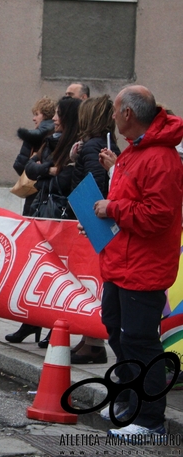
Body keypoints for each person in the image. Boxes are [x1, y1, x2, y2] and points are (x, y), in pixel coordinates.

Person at [86, 86, 183, 438]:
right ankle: (130, 401)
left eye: (114, 110)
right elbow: (131, 204)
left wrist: (111, 209)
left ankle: (150, 419)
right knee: (117, 329)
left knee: (140, 341)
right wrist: (102, 220)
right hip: (122, 261)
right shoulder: (136, 151)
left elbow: (157, 216)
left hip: (143, 267)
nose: (111, 116)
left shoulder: (160, 158)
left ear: (128, 114)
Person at [8, 96, 81, 348]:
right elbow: (28, 166)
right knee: (35, 270)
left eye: (58, 115)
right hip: (41, 210)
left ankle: (56, 327)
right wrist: (48, 170)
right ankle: (31, 321)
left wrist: (46, 172)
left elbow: (66, 178)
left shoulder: (75, 146)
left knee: (57, 274)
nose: (54, 119)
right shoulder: (51, 140)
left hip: (60, 217)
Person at [65, 95, 122, 365]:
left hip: (96, 224)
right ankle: (89, 340)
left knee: (89, 282)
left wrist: (92, 218)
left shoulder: (92, 147)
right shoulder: (100, 145)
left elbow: (96, 184)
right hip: (103, 222)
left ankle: (93, 343)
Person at [13, 96, 56, 216]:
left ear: (45, 115)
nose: (34, 118)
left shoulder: (32, 136)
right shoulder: (60, 133)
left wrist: (33, 168)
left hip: (34, 190)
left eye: (37, 114)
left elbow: (19, 165)